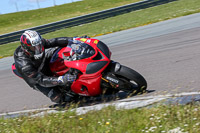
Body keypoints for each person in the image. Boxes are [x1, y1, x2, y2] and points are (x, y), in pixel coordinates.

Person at [14, 30, 83, 103]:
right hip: (36, 79)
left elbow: (54, 41)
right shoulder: (24, 64)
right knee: (59, 98)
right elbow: (40, 80)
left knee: (62, 53)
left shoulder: (38, 42)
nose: (38, 49)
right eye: (34, 48)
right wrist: (61, 79)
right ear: (26, 48)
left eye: (39, 45)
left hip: (43, 62)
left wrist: (75, 40)